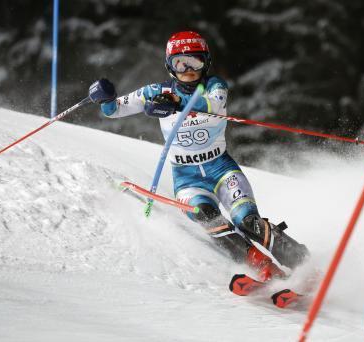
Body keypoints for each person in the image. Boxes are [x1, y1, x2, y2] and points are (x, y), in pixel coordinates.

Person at [89, 31, 309, 281]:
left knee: (247, 220)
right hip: (187, 178)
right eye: (179, 63)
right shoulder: (155, 90)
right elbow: (114, 110)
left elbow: (211, 104)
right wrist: (104, 98)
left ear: (206, 62)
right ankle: (263, 266)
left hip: (222, 169)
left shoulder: (215, 86)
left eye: (195, 62)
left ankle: (302, 262)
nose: (188, 70)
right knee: (207, 217)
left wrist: (174, 104)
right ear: (169, 66)